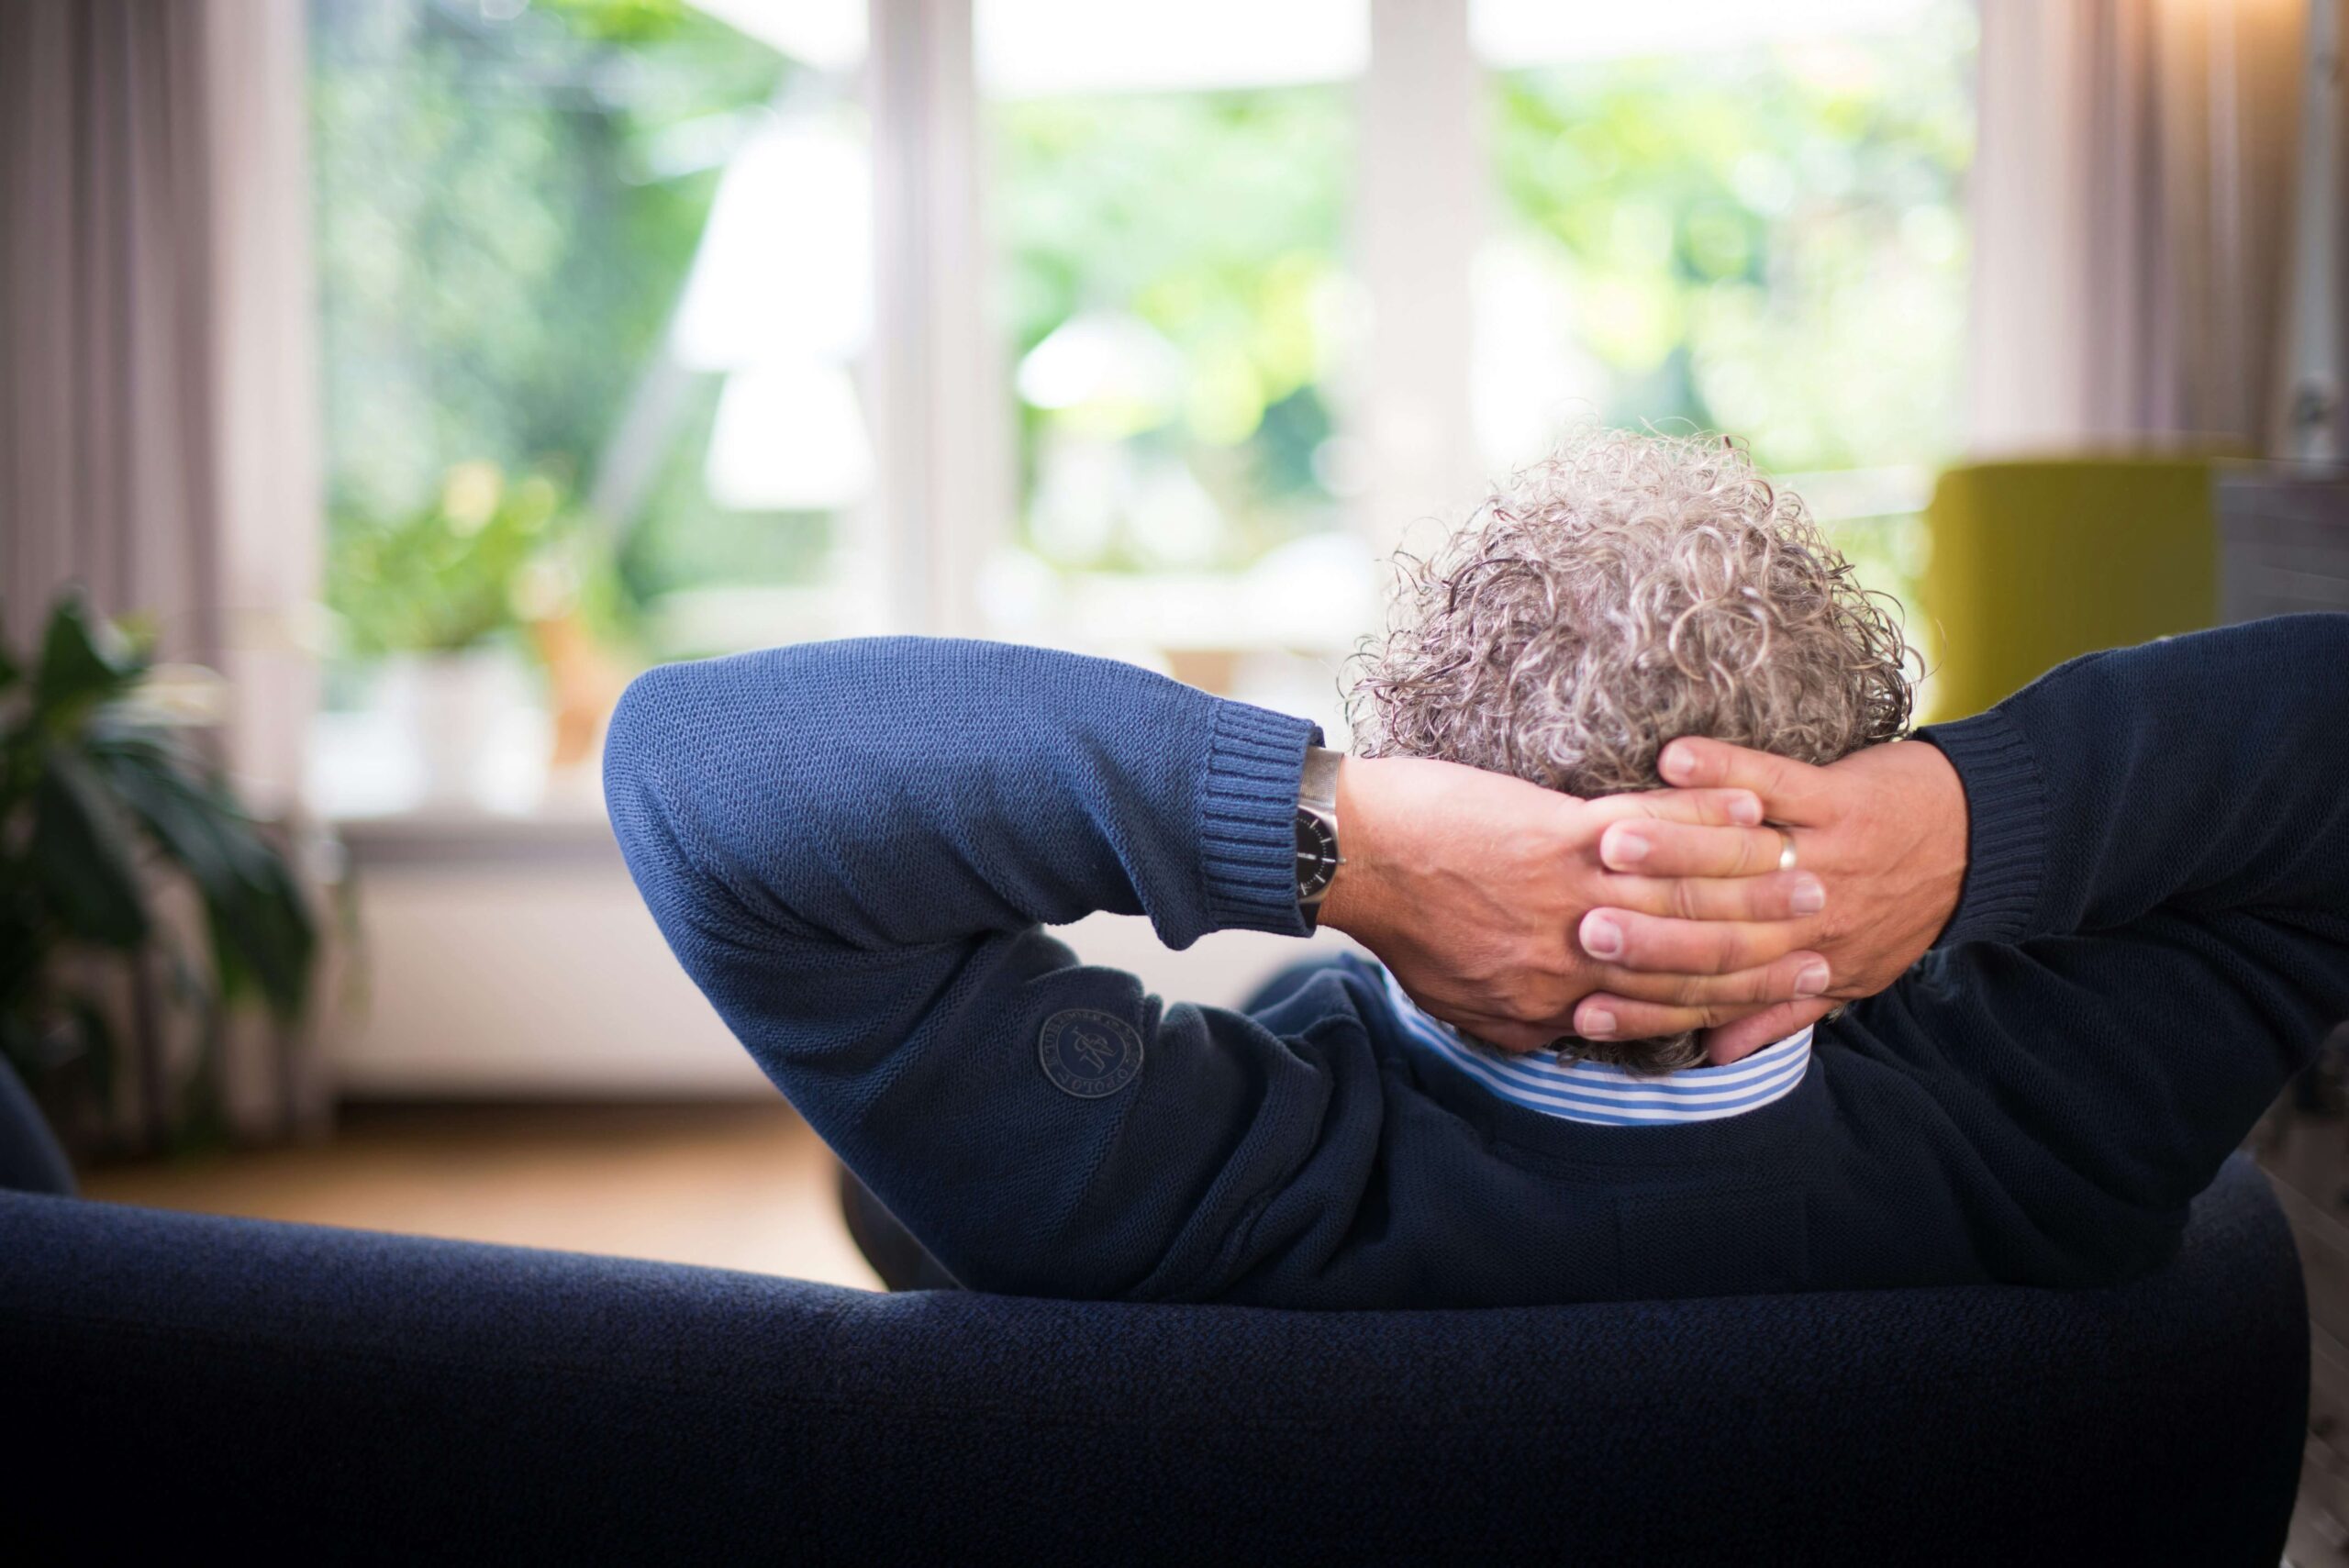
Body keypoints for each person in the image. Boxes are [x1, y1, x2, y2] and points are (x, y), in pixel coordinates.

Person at [606, 430, 2349, 1307]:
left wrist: (1329, 840)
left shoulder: (1183, 1202)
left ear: (1429, 781)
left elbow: (695, 772)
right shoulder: (2049, 1138)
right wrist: (1971, 824)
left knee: (897, 1192)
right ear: (1849, 792)